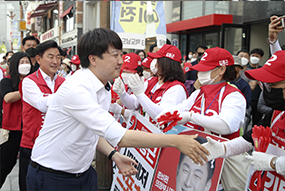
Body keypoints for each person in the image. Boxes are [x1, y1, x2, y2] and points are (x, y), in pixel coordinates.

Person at [25, 28, 209, 191]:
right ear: (93, 59)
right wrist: (175, 141)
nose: (121, 61)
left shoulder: (102, 87)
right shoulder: (76, 89)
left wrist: (114, 155)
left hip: (83, 174)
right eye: (115, 55)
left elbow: (93, 130)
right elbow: (121, 136)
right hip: (52, 176)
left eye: (121, 54)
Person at [203, 50, 285, 182]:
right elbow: (249, 139)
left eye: (270, 85)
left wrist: (274, 163)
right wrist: (223, 148)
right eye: (263, 84)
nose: (265, 89)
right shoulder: (276, 114)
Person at [157, 47, 246, 140]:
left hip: (219, 152)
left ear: (221, 70)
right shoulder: (200, 92)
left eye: (205, 69)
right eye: (199, 70)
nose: (199, 73)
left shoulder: (233, 96)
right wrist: (167, 113)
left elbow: (226, 125)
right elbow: (182, 107)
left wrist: (191, 116)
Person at [19, 40, 65, 191]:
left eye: (58, 57)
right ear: (38, 59)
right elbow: (42, 104)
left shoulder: (63, 82)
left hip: (56, 145)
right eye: (50, 57)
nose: (55, 61)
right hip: (32, 145)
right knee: (29, 186)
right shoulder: (29, 82)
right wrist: (67, 96)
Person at [113, 44, 188, 126]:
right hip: (144, 132)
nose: (154, 63)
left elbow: (161, 116)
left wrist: (140, 94)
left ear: (166, 64)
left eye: (157, 59)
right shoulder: (152, 81)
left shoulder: (176, 88)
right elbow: (133, 104)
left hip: (161, 136)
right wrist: (122, 94)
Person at [0, 52, 32, 188]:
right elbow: (7, 97)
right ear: (14, 65)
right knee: (5, 164)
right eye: (22, 62)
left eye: (27, 62)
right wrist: (28, 89)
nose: (25, 65)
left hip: (28, 130)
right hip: (11, 129)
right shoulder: (6, 81)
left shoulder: (32, 81)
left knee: (26, 168)